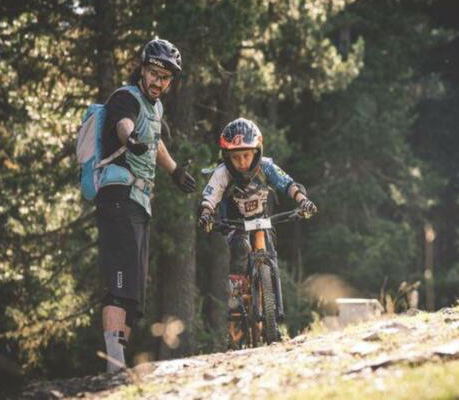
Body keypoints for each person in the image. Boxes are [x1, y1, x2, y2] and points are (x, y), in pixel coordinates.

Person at [97, 39, 196, 373]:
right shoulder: (125, 97)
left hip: (139, 203)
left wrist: (175, 171)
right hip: (118, 198)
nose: (158, 81)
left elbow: (156, 142)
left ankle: (118, 365)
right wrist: (130, 139)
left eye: (165, 77)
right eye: (153, 73)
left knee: (133, 292)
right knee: (119, 283)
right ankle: (114, 367)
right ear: (142, 69)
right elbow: (123, 123)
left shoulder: (156, 107)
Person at [196, 118, 317, 326]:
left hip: (262, 220)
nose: (242, 162)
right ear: (227, 157)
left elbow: (287, 184)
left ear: (257, 151)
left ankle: (272, 304)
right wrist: (206, 213)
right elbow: (210, 196)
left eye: (246, 155)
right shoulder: (222, 173)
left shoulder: (266, 166)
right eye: (236, 157)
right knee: (240, 247)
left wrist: (303, 201)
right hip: (234, 222)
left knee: (270, 249)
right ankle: (236, 300)